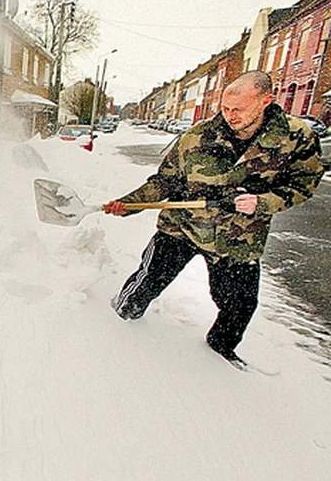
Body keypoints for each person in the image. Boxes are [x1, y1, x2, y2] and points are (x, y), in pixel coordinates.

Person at [104, 71, 326, 368]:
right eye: (225, 108)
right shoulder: (197, 136)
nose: (230, 116)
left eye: (239, 109)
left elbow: (306, 183)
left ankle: (219, 355)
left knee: (239, 305)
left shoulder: (295, 138)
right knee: (147, 282)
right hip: (181, 228)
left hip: (239, 239)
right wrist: (129, 204)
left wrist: (264, 202)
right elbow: (165, 182)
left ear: (265, 101)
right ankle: (117, 320)